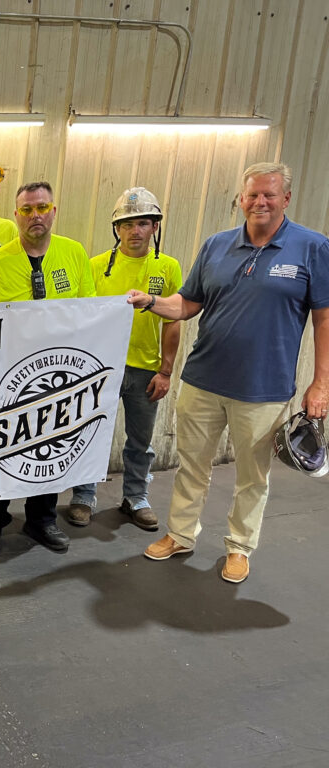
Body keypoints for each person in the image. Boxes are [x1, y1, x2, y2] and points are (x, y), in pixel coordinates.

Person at [130, 163, 329, 583]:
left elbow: (324, 319)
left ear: (286, 199)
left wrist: (321, 383)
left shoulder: (312, 247)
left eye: (269, 195)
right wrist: (149, 300)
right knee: (191, 467)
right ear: (241, 198)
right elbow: (186, 303)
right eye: (252, 194)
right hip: (203, 381)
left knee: (252, 476)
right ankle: (181, 535)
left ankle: (239, 548)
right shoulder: (216, 246)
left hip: (265, 389)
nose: (260, 202)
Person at [0, 181, 95, 556]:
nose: (35, 216)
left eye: (42, 207)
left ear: (54, 211)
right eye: (26, 210)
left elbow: (91, 309)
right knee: (4, 449)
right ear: (16, 216)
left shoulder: (74, 254)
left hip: (61, 375)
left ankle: (41, 518)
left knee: (51, 448)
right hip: (10, 378)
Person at [67, 188, 182, 530]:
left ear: (155, 227)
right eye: (127, 224)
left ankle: (135, 496)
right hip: (101, 367)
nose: (134, 231)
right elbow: (80, 318)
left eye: (142, 223)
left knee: (140, 441)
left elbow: (173, 321)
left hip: (146, 368)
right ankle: (83, 495)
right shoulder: (95, 266)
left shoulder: (168, 267)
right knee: (89, 433)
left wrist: (166, 370)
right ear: (116, 228)